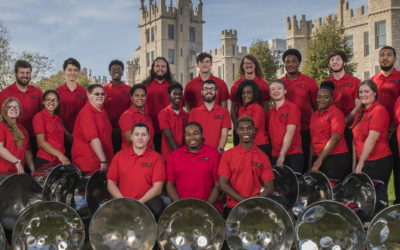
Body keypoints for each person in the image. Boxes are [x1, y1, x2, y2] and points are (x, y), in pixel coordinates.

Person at [107, 122, 165, 218]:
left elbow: (158, 188)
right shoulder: (119, 156)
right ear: (131, 137)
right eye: (136, 134)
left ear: (148, 137)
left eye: (143, 134)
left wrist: (139, 203)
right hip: (123, 202)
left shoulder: (156, 158)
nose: (140, 138)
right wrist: (123, 201)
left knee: (157, 206)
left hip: (146, 203)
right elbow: (111, 183)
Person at [219, 116, 274, 214]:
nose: (245, 131)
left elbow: (269, 186)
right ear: (237, 131)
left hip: (256, 207)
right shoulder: (228, 155)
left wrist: (255, 201)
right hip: (234, 207)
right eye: (241, 128)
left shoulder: (263, 156)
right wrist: (243, 201)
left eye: (249, 128)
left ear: (254, 131)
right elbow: (223, 184)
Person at [352, 80, 393, 206]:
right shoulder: (360, 112)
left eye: (366, 91)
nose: (363, 95)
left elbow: (372, 138)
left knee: (377, 198)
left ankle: (380, 223)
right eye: (360, 92)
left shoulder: (379, 110)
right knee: (365, 197)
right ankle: (367, 223)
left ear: (375, 93)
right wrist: (355, 163)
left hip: (378, 161)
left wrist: (361, 162)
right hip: (362, 160)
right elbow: (355, 139)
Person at [166, 122, 221, 210]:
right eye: (188, 134)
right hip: (182, 208)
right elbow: (169, 185)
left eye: (196, 133)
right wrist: (181, 206)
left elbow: (218, 185)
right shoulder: (174, 156)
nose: (192, 137)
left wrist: (206, 207)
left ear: (202, 135)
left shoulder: (214, 154)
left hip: (209, 207)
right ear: (184, 136)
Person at [371, 46, 400, 205]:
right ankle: (378, 204)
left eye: (389, 55)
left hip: (396, 131)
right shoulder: (374, 80)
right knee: (379, 170)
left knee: (398, 169)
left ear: (394, 58)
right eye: (382, 55)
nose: (385, 58)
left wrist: (393, 128)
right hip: (377, 132)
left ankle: (397, 205)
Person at [281, 49, 318, 171]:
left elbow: (316, 106)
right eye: (287, 62)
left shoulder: (310, 82)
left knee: (306, 161)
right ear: (284, 64)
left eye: (294, 61)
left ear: (299, 63)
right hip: (284, 130)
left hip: (305, 129)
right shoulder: (280, 83)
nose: (290, 64)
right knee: (287, 162)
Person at [0, 60, 42, 155]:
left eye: (28, 73)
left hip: (34, 137)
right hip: (13, 138)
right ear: (16, 73)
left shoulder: (37, 92)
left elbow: (43, 114)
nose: (25, 75)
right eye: (22, 72)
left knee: (34, 168)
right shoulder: (4, 94)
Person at [310, 81, 350, 180]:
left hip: (335, 157)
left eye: (326, 97)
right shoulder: (314, 115)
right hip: (318, 157)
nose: (322, 100)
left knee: (333, 191)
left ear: (332, 98)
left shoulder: (336, 113)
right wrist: (310, 162)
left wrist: (319, 160)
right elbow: (313, 139)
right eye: (319, 97)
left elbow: (335, 138)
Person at [72, 84, 113, 174]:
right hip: (89, 164)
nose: (100, 96)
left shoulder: (102, 111)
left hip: (102, 162)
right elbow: (93, 139)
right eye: (97, 94)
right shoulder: (86, 113)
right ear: (88, 95)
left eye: (102, 94)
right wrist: (103, 160)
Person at [325, 51, 361, 154]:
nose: (335, 62)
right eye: (332, 60)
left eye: (338, 59)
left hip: (350, 127)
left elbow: (358, 105)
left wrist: (345, 121)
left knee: (350, 157)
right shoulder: (326, 83)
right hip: (332, 127)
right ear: (329, 64)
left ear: (344, 63)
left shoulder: (355, 81)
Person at [230, 55, 269, 145]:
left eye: (251, 63)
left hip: (258, 128)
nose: (248, 65)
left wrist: (262, 125)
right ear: (242, 66)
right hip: (240, 127)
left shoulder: (263, 84)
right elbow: (233, 108)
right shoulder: (236, 85)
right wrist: (237, 127)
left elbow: (266, 107)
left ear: (255, 65)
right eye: (246, 63)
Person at [268, 79, 303, 173]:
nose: (276, 91)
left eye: (279, 88)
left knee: (293, 186)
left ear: (285, 91)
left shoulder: (292, 108)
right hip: (275, 154)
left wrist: (282, 155)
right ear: (270, 94)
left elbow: (290, 132)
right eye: (273, 89)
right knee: (278, 186)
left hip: (292, 154)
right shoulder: (270, 112)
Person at [55, 58, 87, 157]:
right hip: (60, 135)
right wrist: (67, 134)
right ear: (64, 72)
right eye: (69, 70)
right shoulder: (57, 92)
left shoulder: (84, 92)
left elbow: (86, 116)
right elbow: (54, 116)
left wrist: (75, 133)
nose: (72, 73)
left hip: (80, 135)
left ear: (78, 72)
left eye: (75, 70)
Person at [188, 79, 231, 152]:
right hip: (198, 153)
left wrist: (219, 152)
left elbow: (224, 134)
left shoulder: (224, 112)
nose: (209, 91)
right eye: (206, 89)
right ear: (201, 92)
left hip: (216, 153)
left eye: (212, 89)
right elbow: (192, 135)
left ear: (216, 92)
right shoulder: (194, 112)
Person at [142, 57, 173, 153]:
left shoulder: (173, 86)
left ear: (167, 69)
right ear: (152, 68)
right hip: (149, 130)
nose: (160, 68)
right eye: (157, 66)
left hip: (169, 130)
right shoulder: (144, 86)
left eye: (163, 66)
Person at [33, 90, 69, 169]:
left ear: (58, 102)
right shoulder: (39, 117)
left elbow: (68, 136)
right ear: (43, 102)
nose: (51, 102)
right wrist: (60, 155)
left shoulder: (58, 119)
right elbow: (41, 142)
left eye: (54, 100)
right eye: (48, 99)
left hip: (59, 160)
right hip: (46, 159)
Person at [0, 98, 35, 174]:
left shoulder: (23, 129)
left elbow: (27, 151)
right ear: (5, 110)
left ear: (20, 110)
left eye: (16, 107)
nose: (14, 109)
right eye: (10, 107)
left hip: (18, 172)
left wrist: (33, 170)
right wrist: (16, 161)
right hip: (3, 173)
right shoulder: (1, 126)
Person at [103, 60, 131, 153]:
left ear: (123, 72)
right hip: (108, 130)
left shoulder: (129, 90)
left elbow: (131, 109)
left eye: (119, 69)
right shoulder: (104, 90)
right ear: (109, 72)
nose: (116, 71)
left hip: (125, 130)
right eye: (113, 69)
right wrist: (110, 128)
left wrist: (122, 128)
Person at [236, 80, 269, 155]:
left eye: (249, 92)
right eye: (243, 93)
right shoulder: (241, 109)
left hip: (259, 144)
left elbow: (252, 129)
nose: (245, 95)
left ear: (254, 94)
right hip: (247, 145)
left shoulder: (258, 109)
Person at [157, 83, 188, 160]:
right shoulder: (163, 113)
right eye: (174, 94)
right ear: (169, 95)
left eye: (180, 94)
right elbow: (169, 137)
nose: (177, 96)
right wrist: (179, 154)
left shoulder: (186, 115)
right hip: (169, 157)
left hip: (184, 155)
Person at [119, 84, 154, 150]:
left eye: (142, 95)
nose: (140, 98)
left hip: (147, 155)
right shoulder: (127, 115)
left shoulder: (147, 117)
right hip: (132, 156)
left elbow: (151, 141)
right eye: (137, 95)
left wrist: (152, 155)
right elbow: (130, 140)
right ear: (131, 98)